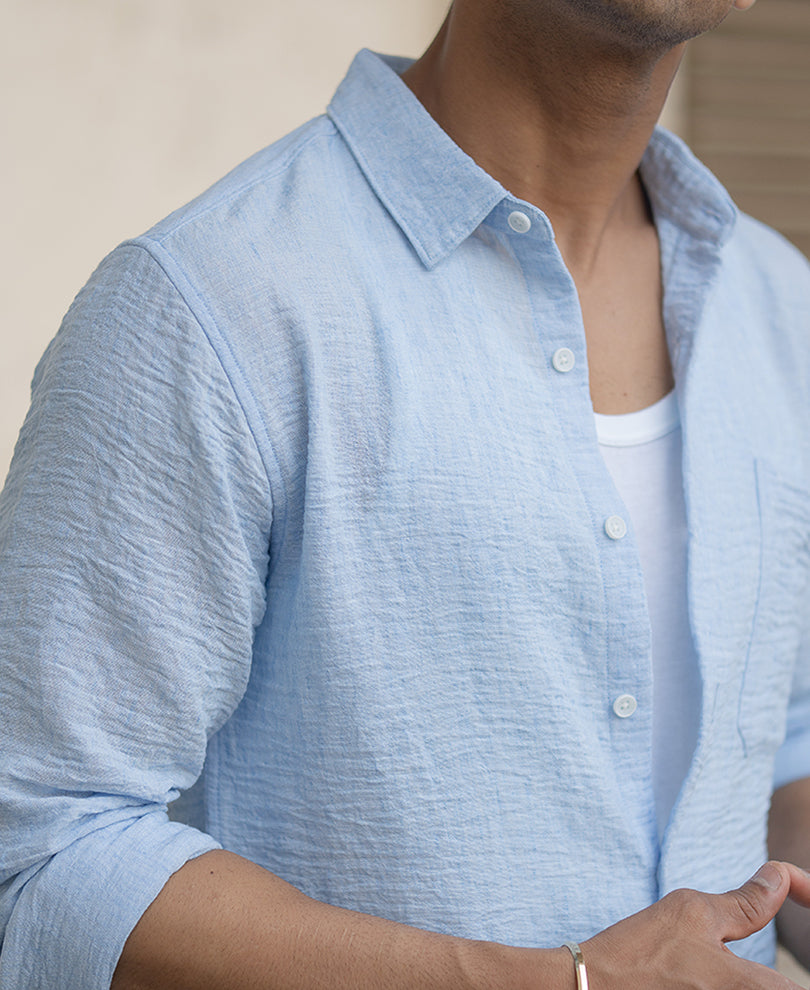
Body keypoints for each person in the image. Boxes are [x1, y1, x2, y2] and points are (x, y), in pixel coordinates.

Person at [1, 0, 809, 987]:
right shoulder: (209, 307)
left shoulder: (781, 311)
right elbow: (44, 848)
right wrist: (555, 982)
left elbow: (776, 736)